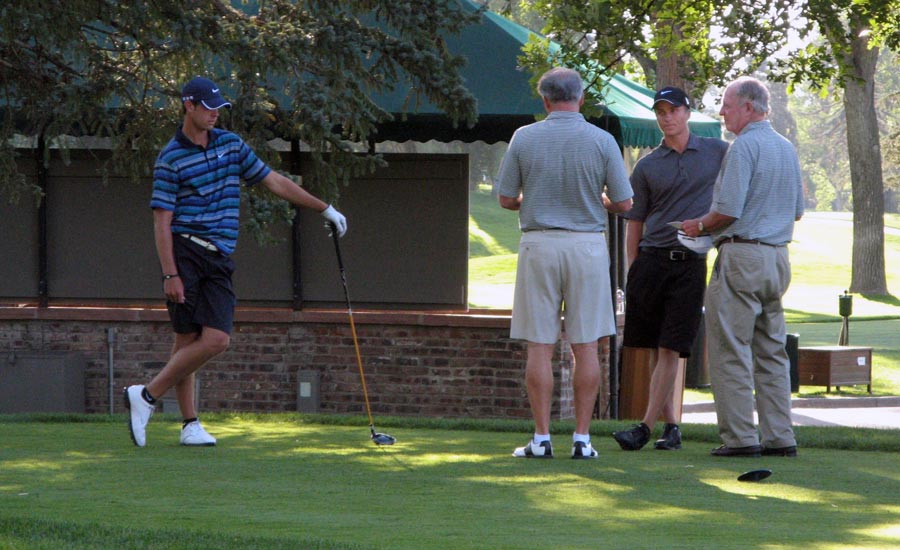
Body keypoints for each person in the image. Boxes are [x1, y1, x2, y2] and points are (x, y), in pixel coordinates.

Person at [125, 76, 347, 447]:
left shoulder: (230, 145)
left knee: (212, 340)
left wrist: (324, 208)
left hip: (219, 256)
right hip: (186, 253)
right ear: (189, 106)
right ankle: (187, 422)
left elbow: (274, 181)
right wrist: (170, 273)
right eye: (208, 107)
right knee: (191, 339)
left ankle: (146, 396)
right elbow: (161, 221)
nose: (215, 114)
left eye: (218, 108)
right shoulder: (171, 158)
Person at [496, 67, 633, 459]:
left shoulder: (525, 137)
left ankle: (541, 438)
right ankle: (583, 438)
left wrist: (535, 201)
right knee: (585, 345)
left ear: (544, 100)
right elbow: (624, 203)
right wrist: (598, 201)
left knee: (539, 347)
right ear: (581, 98)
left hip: (538, 244)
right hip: (587, 246)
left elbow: (507, 198)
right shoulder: (602, 139)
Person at [681, 76, 804, 458]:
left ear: (749, 107)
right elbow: (797, 210)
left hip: (743, 255)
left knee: (730, 348)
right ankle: (780, 436)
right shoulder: (786, 148)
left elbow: (728, 210)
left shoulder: (743, 146)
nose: (722, 112)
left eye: (728, 105)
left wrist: (697, 226)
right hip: (777, 258)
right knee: (772, 351)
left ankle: (740, 438)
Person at [612, 87, 728, 452]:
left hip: (690, 262)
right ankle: (672, 426)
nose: (666, 118)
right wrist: (633, 269)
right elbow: (636, 221)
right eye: (660, 112)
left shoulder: (718, 152)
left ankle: (645, 427)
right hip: (651, 260)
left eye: (673, 110)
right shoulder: (648, 165)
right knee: (651, 348)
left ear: (687, 113)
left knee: (670, 348)